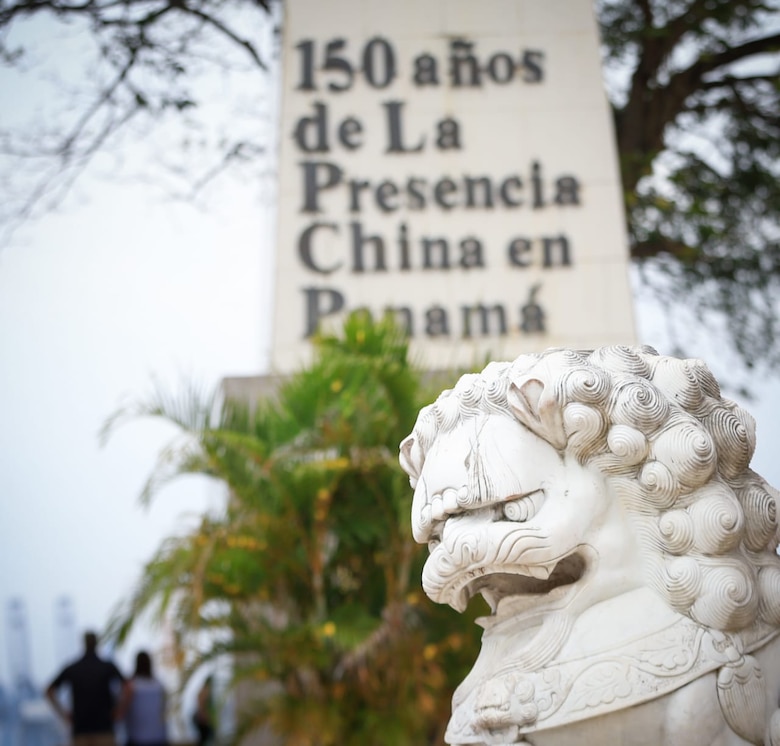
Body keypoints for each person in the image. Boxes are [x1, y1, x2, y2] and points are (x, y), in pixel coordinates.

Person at [46, 631, 125, 746]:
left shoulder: (73, 668)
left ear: (83, 644)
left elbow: (49, 690)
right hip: (104, 729)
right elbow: (128, 687)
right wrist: (119, 710)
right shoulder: (107, 667)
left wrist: (63, 714)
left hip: (80, 731)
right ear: (97, 643)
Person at [119, 651, 167, 746]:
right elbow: (164, 711)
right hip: (158, 737)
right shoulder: (159, 685)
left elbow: (121, 712)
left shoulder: (131, 686)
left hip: (137, 737)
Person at [192, 677, 214, 746]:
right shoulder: (205, 692)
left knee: (205, 737)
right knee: (205, 736)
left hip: (199, 716)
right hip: (201, 717)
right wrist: (205, 716)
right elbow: (201, 706)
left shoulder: (203, 691)